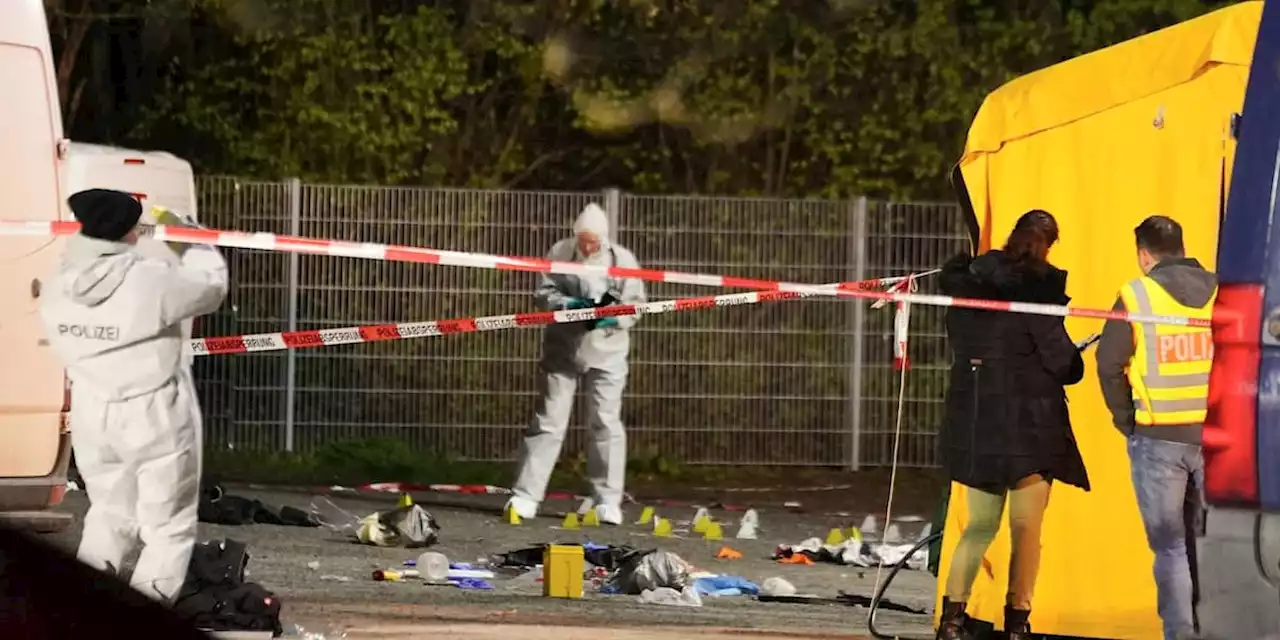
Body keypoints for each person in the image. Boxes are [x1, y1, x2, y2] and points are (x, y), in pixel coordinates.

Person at [38, 189, 228, 604]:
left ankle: (80, 615)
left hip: (93, 411)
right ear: (130, 231)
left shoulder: (59, 283)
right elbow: (210, 288)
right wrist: (195, 240)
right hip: (152, 411)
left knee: (109, 514)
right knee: (168, 528)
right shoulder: (149, 280)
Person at [935, 210, 1092, 640]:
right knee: (1026, 533)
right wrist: (1075, 357)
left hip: (976, 424)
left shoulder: (968, 287)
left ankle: (952, 620)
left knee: (979, 528)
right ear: (1048, 244)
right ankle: (1017, 624)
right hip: (1030, 429)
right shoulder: (1038, 294)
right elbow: (1062, 363)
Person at [1096, 215, 1216, 640]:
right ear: (1181, 248)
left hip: (1157, 439)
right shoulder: (1221, 291)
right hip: (1216, 438)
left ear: (1144, 255)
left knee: (1170, 547)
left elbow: (1109, 364)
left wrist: (1126, 421)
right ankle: (1215, 629)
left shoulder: (1136, 295)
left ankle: (1181, 635)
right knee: (1209, 542)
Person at [505, 203, 646, 525]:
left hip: (608, 354)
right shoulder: (559, 252)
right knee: (549, 422)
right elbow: (543, 293)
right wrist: (569, 306)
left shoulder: (623, 260)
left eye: (593, 241)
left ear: (604, 239)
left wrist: (610, 317)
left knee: (606, 423)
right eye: (583, 240)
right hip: (563, 352)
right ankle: (526, 495)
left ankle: (608, 500)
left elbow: (636, 306)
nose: (587, 246)